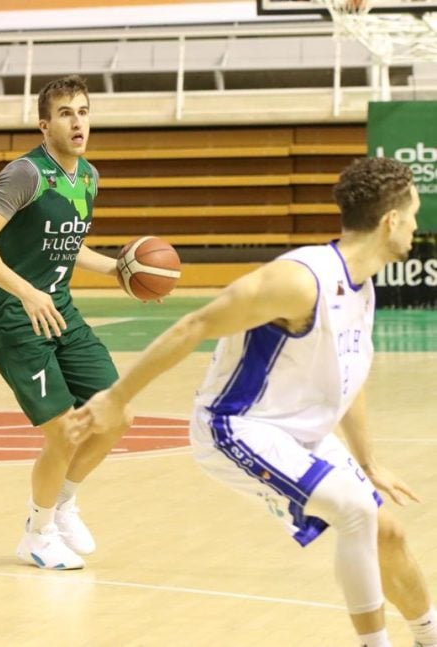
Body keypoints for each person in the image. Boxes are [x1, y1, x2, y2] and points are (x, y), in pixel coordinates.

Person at [72, 157, 437, 646]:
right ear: (391, 220)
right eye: (413, 213)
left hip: (298, 432)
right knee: (354, 510)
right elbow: (194, 325)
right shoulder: (299, 280)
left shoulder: (362, 286)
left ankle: (428, 634)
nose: (417, 224)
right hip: (233, 425)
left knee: (386, 533)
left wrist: (368, 461)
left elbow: (347, 378)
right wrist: (116, 398)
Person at [0, 75, 131, 570]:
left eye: (84, 111)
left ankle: (65, 500)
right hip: (14, 314)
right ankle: (37, 532)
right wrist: (26, 291)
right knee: (65, 432)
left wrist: (117, 269)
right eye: (66, 113)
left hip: (58, 309)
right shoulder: (25, 174)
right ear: (45, 124)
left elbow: (67, 250)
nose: (78, 122)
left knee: (116, 414)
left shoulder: (89, 177)